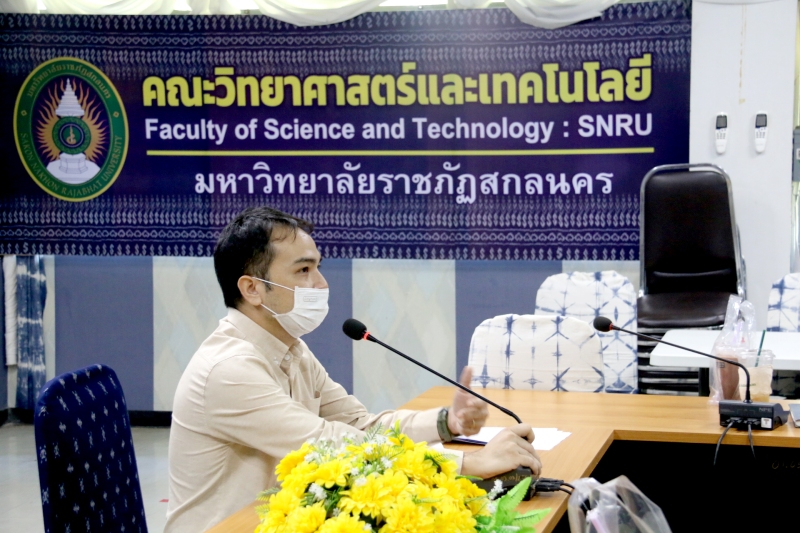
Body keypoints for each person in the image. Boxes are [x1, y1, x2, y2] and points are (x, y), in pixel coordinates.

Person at [165, 207, 542, 532]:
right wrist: (471, 463)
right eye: (303, 270)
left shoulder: (291, 350)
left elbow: (363, 427)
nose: (321, 284)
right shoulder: (228, 369)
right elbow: (331, 445)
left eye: (318, 267)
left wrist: (447, 422)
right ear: (252, 289)